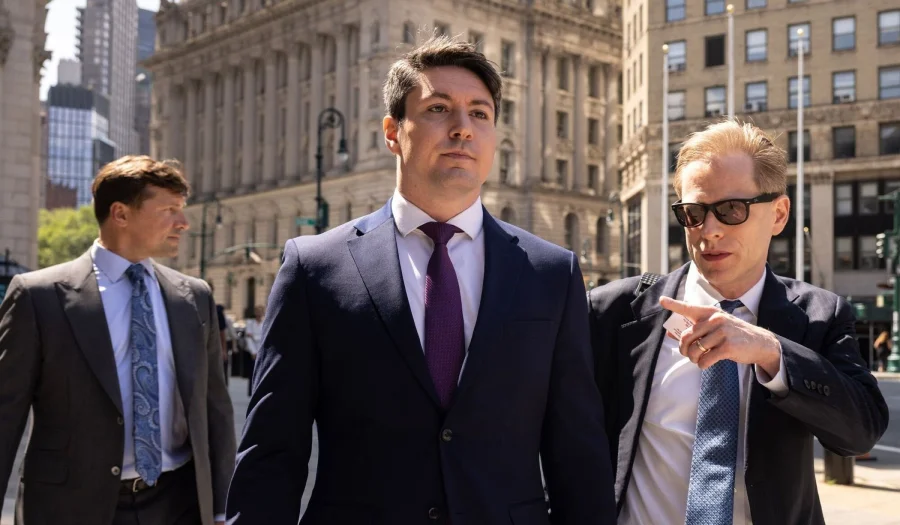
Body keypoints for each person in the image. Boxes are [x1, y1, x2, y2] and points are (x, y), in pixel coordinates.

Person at [226, 36, 616, 524]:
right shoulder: (314, 267)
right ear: (393, 132)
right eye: (438, 109)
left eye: (480, 113)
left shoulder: (551, 272)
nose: (462, 129)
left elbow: (577, 455)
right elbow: (271, 452)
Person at [588, 120, 889, 525]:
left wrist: (773, 353)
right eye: (693, 213)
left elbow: (860, 432)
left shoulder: (819, 314)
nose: (708, 231)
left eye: (731, 210)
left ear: (778, 214)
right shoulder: (615, 311)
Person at [0, 156, 236, 525]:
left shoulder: (194, 296)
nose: (183, 223)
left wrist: (222, 507)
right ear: (121, 214)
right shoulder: (39, 296)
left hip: (178, 504)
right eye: (169, 210)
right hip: (70, 507)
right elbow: (5, 414)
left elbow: (214, 409)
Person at [241, 305, 265, 396]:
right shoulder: (250, 323)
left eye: (260, 311)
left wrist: (254, 337)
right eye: (257, 311)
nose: (259, 313)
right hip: (253, 352)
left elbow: (264, 337)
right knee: (252, 373)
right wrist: (253, 351)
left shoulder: (265, 323)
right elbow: (248, 338)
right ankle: (251, 391)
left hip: (262, 350)